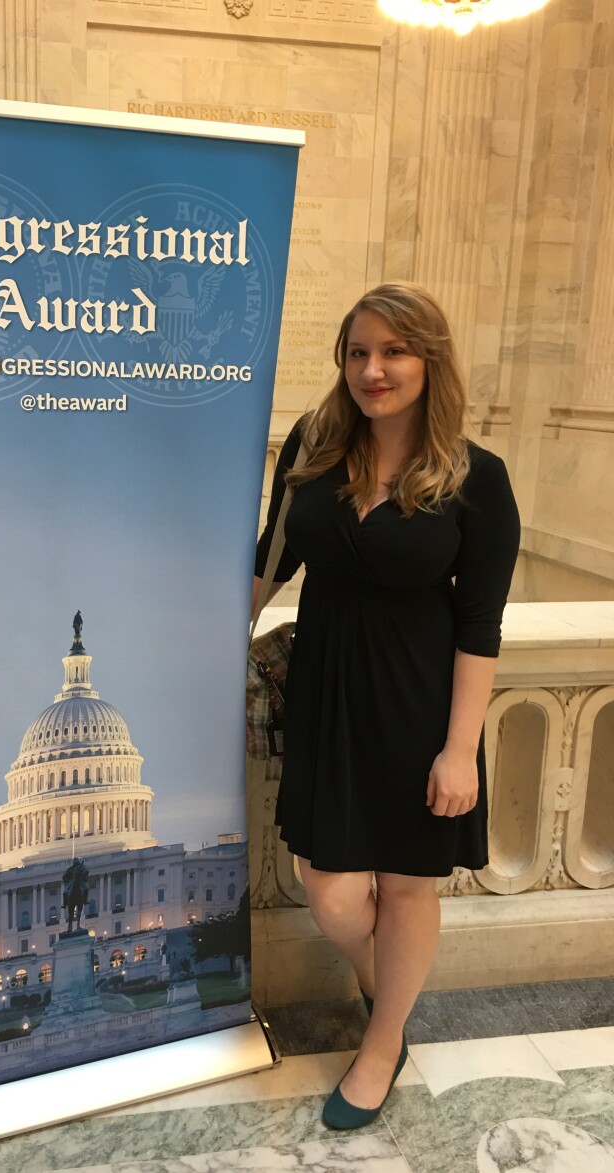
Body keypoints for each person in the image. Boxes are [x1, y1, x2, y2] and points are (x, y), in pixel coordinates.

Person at [252, 282, 520, 1130]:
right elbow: (269, 564)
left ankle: (381, 1045)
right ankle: (394, 995)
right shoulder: (313, 445)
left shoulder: (479, 479)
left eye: (394, 351)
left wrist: (458, 749)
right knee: (326, 886)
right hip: (327, 692)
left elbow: (480, 626)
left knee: (405, 890)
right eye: (359, 351)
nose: (374, 369)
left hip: (420, 705)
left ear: (429, 361)